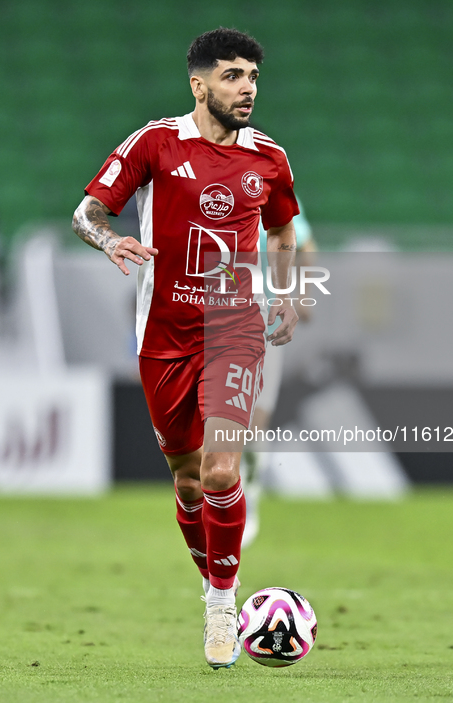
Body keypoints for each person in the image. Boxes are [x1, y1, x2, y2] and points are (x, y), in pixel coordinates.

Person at [72, 28, 300, 669]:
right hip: (163, 337)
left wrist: (283, 293)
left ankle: (221, 610)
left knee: (223, 471)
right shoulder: (155, 143)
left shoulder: (270, 159)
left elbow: (283, 227)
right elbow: (88, 213)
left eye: (253, 76)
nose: (247, 88)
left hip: (234, 330)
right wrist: (109, 241)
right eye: (232, 76)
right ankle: (215, 582)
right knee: (190, 482)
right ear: (198, 84)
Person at [241, 203, 314, 548]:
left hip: (264, 320)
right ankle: (218, 497)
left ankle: (248, 498)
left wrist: (304, 295)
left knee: (258, 419)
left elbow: (305, 243)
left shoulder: (272, 187)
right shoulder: (213, 186)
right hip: (216, 316)